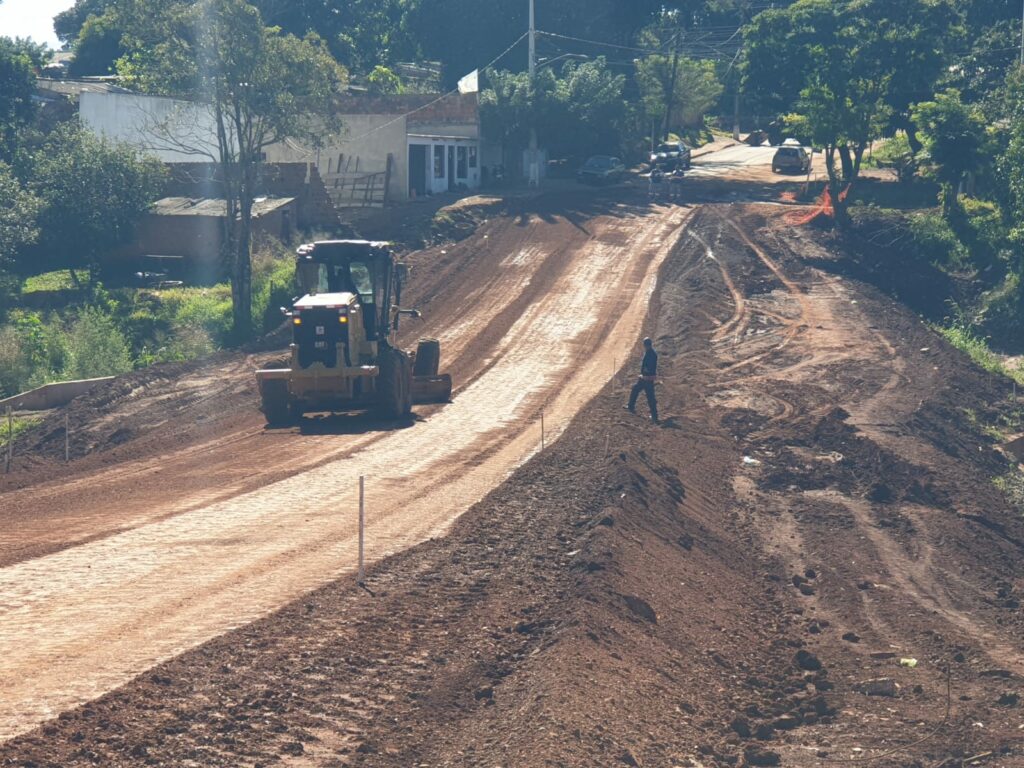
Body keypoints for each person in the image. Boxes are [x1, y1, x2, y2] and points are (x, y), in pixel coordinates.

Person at [627, 337, 659, 423]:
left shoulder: (651, 354)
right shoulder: (650, 352)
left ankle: (654, 417)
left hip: (647, 379)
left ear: (646, 345)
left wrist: (644, 374)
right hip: (645, 378)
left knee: (650, 397)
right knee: (635, 390)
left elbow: (650, 367)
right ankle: (630, 406)